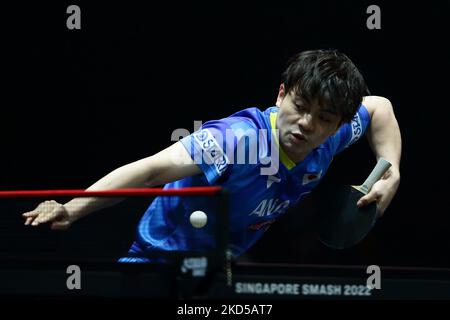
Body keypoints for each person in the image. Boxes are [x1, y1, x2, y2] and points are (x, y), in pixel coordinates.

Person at [22, 49, 401, 262]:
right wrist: (72, 209)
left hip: (225, 261)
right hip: (160, 258)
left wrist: (392, 172)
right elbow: (151, 170)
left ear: (338, 124)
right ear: (281, 94)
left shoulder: (330, 138)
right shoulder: (236, 140)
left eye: (324, 118)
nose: (306, 124)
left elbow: (380, 108)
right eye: (299, 105)